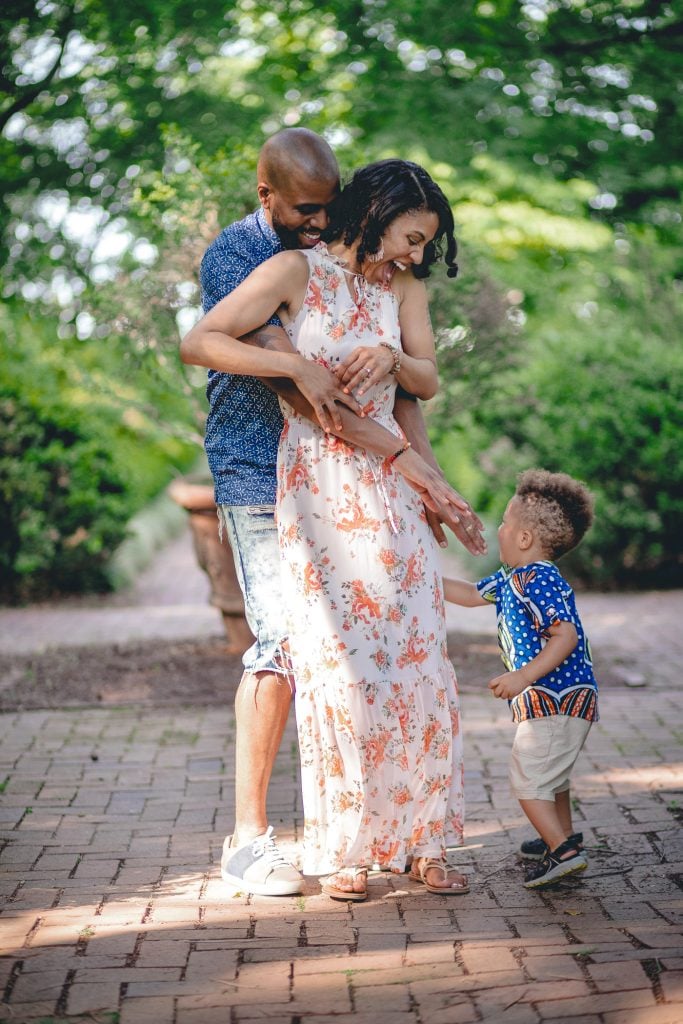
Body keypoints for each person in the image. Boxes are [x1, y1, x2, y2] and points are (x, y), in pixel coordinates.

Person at [186, 129, 485, 897]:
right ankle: (302, 841)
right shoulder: (266, 263)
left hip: (381, 482)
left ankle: (420, 838)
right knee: (313, 657)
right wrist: (292, 361)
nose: (415, 257)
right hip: (293, 477)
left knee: (413, 654)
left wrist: (427, 483)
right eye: (411, 239)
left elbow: (420, 387)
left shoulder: (399, 289)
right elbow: (255, 367)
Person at [443, 469, 598, 889]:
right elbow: (473, 594)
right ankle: (560, 838)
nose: (500, 529)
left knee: (527, 779)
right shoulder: (513, 578)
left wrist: (522, 676)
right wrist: (425, 578)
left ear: (526, 538)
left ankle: (563, 852)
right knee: (552, 778)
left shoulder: (540, 578)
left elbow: (564, 635)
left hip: (556, 696)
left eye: (507, 523)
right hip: (557, 699)